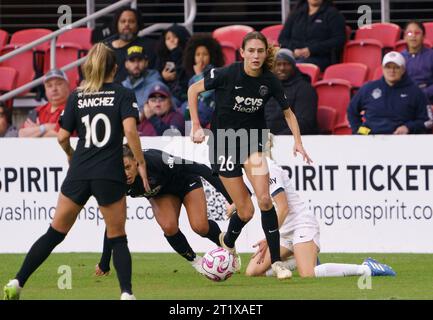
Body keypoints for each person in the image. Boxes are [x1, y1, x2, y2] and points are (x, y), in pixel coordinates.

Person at [3, 43, 150, 300]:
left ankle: (17, 281)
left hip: (79, 171)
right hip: (108, 172)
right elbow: (129, 130)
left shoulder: (77, 96)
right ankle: (126, 294)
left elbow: (61, 137)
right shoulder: (124, 94)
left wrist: (72, 156)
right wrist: (140, 162)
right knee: (118, 237)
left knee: (54, 233)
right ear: (114, 69)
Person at [188, 31, 312, 280]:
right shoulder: (226, 74)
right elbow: (193, 90)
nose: (256, 55)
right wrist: (195, 125)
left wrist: (298, 142)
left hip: (251, 143)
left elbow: (288, 113)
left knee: (265, 199)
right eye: (251, 51)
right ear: (242, 52)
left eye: (260, 51)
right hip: (223, 144)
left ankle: (276, 262)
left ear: (266, 53)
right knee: (245, 211)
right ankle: (228, 240)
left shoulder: (269, 81)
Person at [242, 138, 396, 278]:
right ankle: (299, 258)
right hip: (284, 232)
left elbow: (283, 208)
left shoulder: (270, 168)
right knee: (253, 271)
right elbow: (246, 194)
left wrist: (269, 239)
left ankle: (365, 268)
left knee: (308, 274)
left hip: (301, 224)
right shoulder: (253, 169)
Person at [95, 145, 235, 277]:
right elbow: (113, 222)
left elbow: (202, 168)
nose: (125, 174)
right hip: (162, 194)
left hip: (185, 181)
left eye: (127, 167)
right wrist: (104, 263)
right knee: (169, 226)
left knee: (200, 226)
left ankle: (227, 245)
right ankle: (197, 262)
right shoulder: (116, 181)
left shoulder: (156, 161)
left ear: (137, 162)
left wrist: (232, 199)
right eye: (121, 169)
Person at [347, 51, 430, 135]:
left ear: (403, 69)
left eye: (396, 67)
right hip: (371, 141)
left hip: (402, 142)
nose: (392, 71)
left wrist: (408, 127)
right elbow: (351, 111)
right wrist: (362, 131)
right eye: (388, 67)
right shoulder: (368, 88)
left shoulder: (415, 92)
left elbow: (427, 121)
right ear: (382, 68)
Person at [278, 0, 346, 71]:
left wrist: (311, 50)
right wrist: (294, 50)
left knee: (292, 66)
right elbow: (282, 38)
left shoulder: (333, 14)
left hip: (319, 58)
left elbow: (339, 40)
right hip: (293, 55)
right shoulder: (296, 13)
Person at [265, 48, 318, 135]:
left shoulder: (305, 89)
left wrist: (277, 138)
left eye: (286, 64)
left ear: (294, 66)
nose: (282, 68)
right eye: (278, 64)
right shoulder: (267, 88)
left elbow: (305, 123)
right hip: (266, 140)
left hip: (292, 141)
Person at [180, 34, 225, 127]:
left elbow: (206, 93)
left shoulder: (215, 72)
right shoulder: (193, 77)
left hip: (210, 112)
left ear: (211, 56)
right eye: (198, 54)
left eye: (205, 54)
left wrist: (199, 75)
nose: (201, 58)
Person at [107, 6, 156, 83]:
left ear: (138, 25)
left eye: (131, 21)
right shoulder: (105, 48)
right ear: (116, 24)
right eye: (123, 21)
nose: (126, 24)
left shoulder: (150, 46)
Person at [18, 69, 70, 138]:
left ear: (68, 85)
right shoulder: (37, 111)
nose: (54, 89)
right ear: (45, 89)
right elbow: (22, 134)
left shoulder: (74, 109)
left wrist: (36, 132)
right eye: (49, 86)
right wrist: (45, 127)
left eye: (59, 84)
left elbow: (59, 136)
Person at [121, 44, 162, 117]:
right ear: (126, 64)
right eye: (132, 61)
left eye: (139, 60)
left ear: (146, 62)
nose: (136, 65)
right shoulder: (123, 87)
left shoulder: (157, 85)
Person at [155, 24, 191, 106]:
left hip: (184, 94)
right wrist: (162, 76)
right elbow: (155, 74)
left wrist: (176, 51)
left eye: (174, 37)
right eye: (168, 38)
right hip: (166, 93)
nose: (171, 41)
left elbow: (185, 73)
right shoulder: (162, 55)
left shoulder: (189, 55)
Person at [401, 21, 433, 104]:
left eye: (417, 33)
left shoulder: (431, 55)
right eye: (409, 33)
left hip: (428, 100)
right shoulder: (399, 58)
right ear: (404, 37)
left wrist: (423, 93)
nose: (413, 36)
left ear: (424, 36)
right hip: (404, 100)